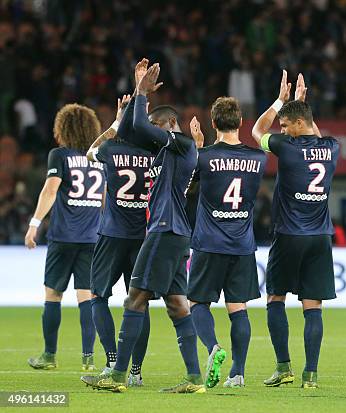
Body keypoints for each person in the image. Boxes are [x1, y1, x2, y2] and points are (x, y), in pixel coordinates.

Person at [81, 63, 205, 393]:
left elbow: (137, 125)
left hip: (163, 230)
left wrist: (141, 93)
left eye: (154, 127)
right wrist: (134, 103)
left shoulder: (177, 143)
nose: (148, 132)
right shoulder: (179, 148)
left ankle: (118, 375)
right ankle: (194, 378)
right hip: (178, 234)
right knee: (177, 305)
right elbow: (135, 128)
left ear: (166, 125)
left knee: (135, 299)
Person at [251, 72, 338, 389]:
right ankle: (311, 375)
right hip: (320, 237)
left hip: (289, 235)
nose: (282, 130)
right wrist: (301, 105)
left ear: (296, 126)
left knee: (275, 297)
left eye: (286, 125)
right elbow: (312, 128)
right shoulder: (332, 147)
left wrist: (280, 101)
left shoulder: (285, 147)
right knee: (312, 306)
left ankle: (284, 367)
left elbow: (257, 130)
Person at [85, 59, 156, 386]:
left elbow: (89, 153)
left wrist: (115, 122)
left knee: (98, 296)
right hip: (143, 237)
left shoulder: (111, 149)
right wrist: (141, 99)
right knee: (139, 303)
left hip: (111, 233)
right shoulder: (157, 151)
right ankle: (137, 372)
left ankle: (112, 359)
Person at [188, 97, 267, 389]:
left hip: (209, 242)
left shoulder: (204, 156)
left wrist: (197, 146)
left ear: (212, 123)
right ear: (241, 122)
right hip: (242, 244)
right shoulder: (258, 158)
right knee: (238, 308)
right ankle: (238, 372)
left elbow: (189, 184)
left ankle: (213, 348)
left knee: (197, 302)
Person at [25, 103, 104, 372]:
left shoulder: (59, 155)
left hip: (63, 236)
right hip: (92, 237)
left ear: (63, 128)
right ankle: (88, 359)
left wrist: (34, 223)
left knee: (53, 295)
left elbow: (50, 190)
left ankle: (49, 356)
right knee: (86, 297)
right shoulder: (99, 157)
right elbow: (105, 199)